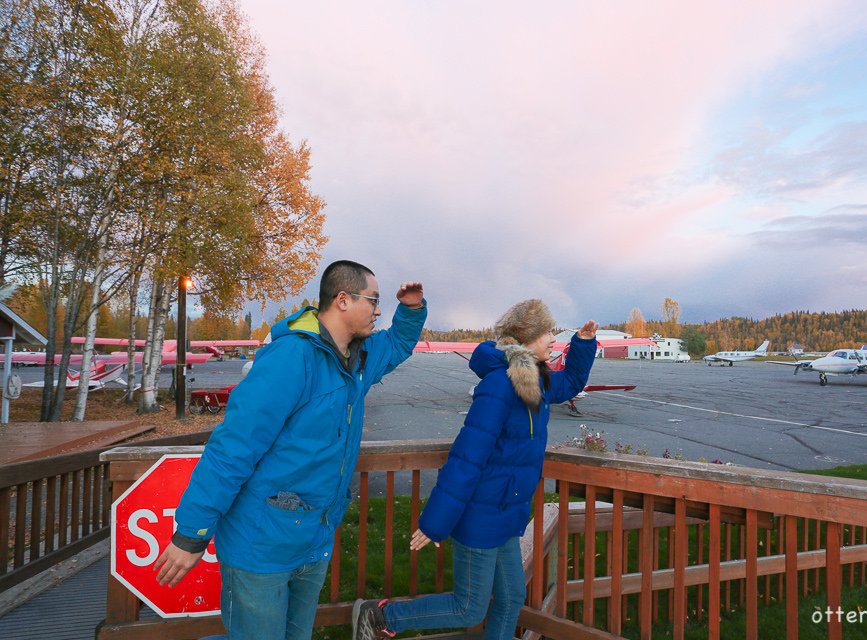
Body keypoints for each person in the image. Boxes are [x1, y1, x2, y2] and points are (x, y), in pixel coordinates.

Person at [153, 260, 427, 640]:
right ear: (343, 300)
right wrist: (192, 534)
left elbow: (397, 344)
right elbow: (233, 447)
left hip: (312, 538)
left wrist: (412, 309)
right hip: (260, 542)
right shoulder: (291, 359)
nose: (379, 310)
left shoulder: (357, 360)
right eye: (373, 300)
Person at [352, 299, 598, 640]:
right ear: (526, 339)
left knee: (511, 597)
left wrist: (583, 344)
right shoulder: (500, 386)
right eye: (546, 332)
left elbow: (570, 381)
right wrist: (436, 522)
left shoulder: (536, 381)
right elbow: (468, 456)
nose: (553, 338)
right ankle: (383, 617)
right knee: (468, 606)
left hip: (506, 512)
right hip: (481, 514)